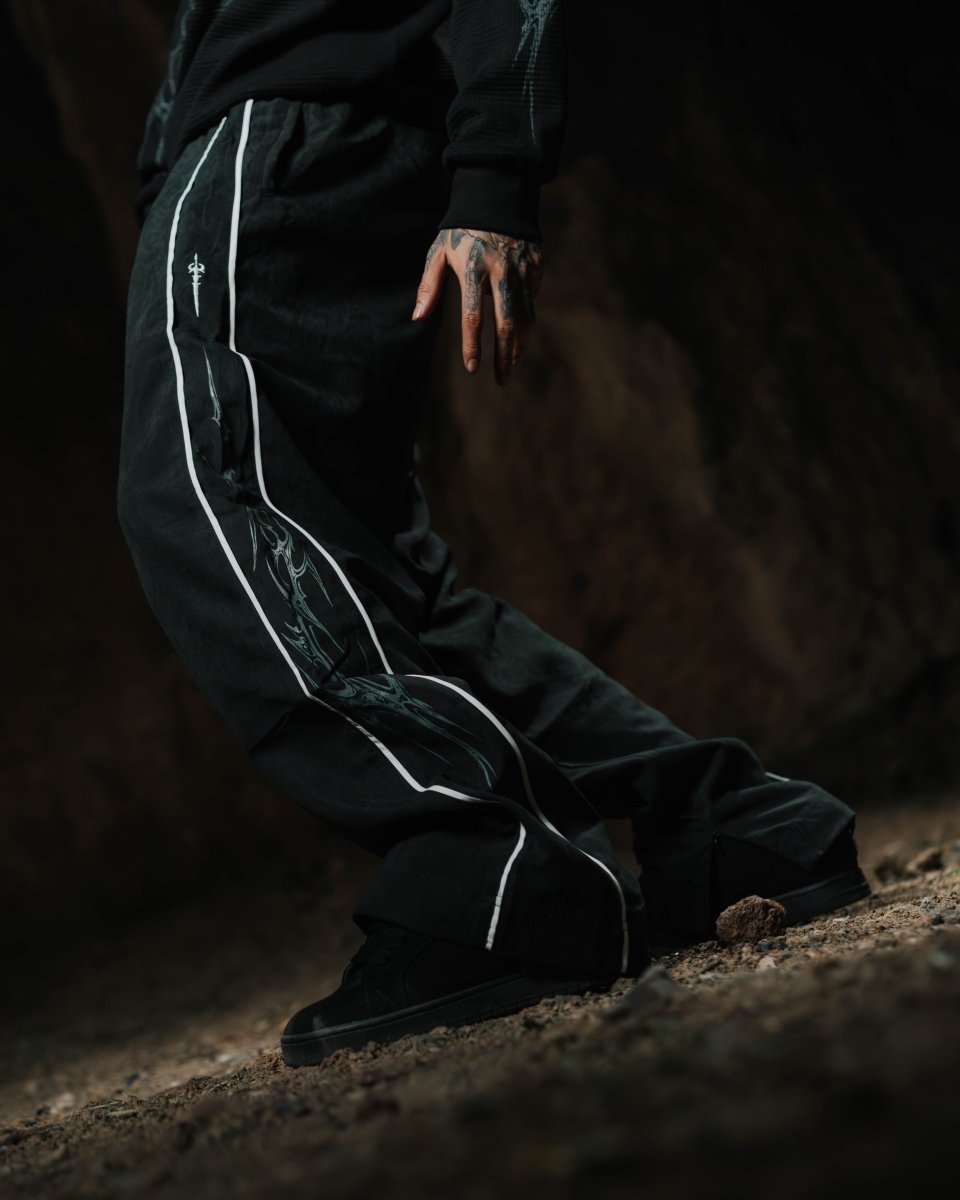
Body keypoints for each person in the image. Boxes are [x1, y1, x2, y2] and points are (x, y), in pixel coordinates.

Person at [118, 0, 869, 1068]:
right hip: (296, 147)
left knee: (200, 505)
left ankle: (492, 873)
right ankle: (734, 826)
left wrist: (495, 172)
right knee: (381, 582)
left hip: (280, 138)